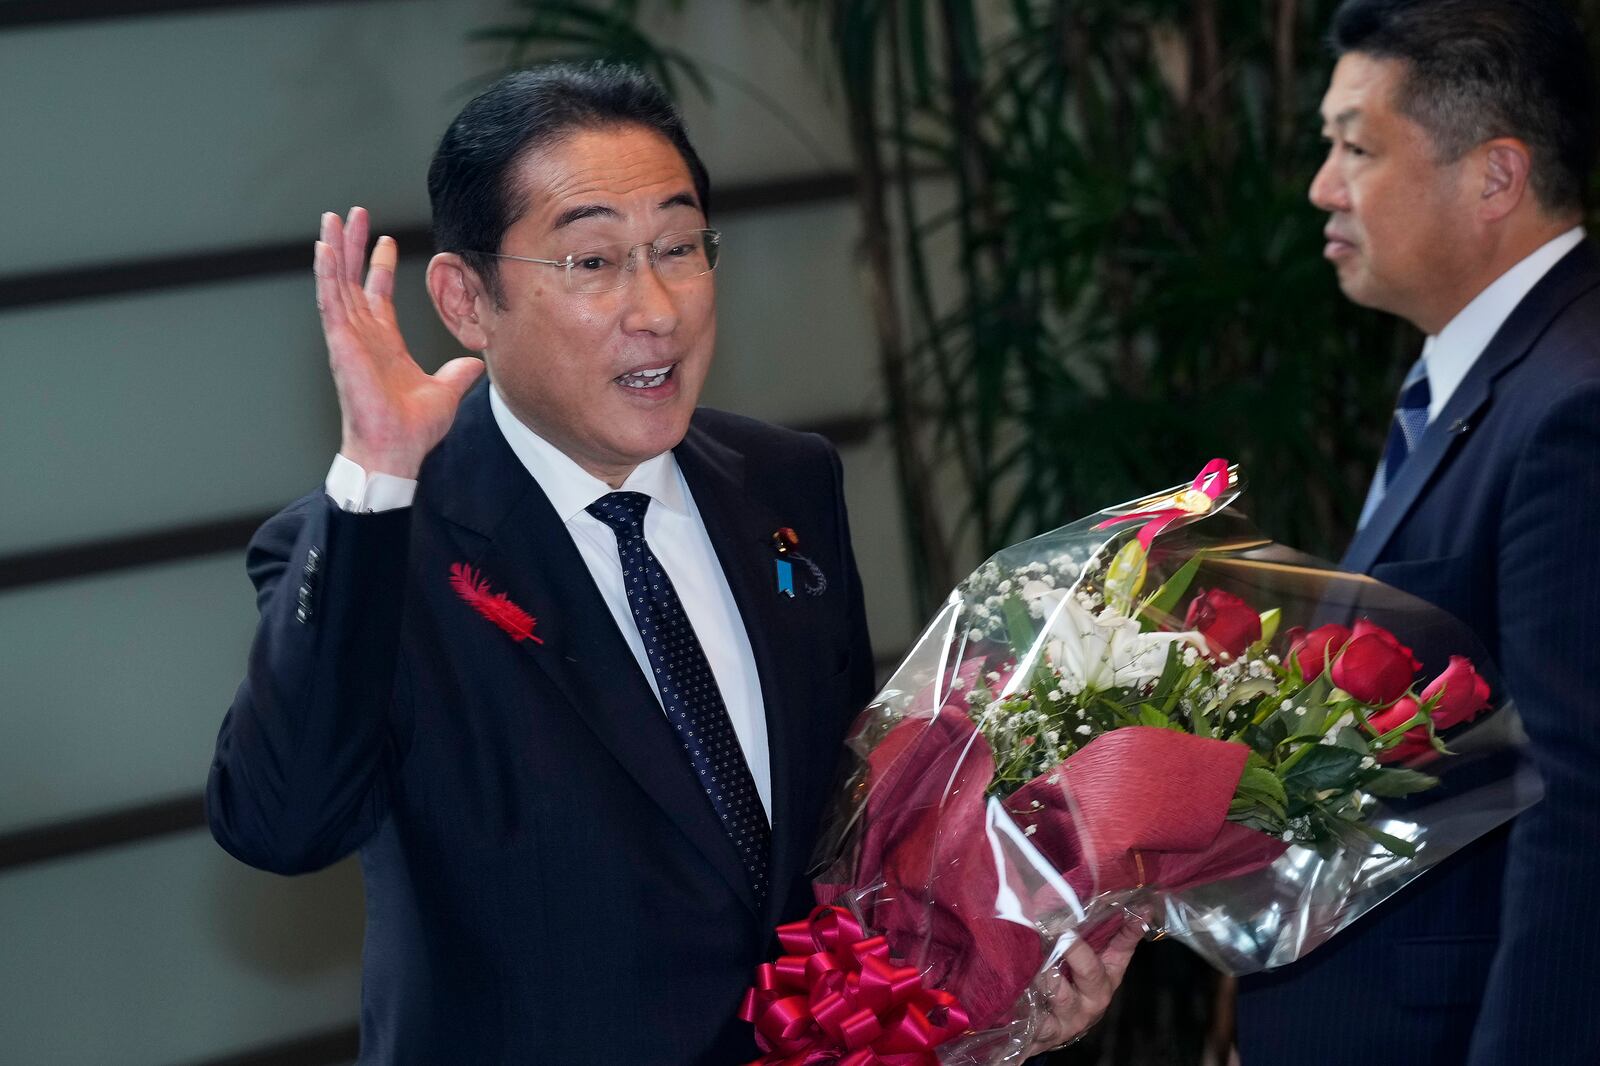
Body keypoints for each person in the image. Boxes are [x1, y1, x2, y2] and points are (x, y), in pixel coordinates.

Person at [206, 63, 1137, 1064]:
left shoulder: (787, 485)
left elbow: (840, 850)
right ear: (467, 302)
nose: (655, 307)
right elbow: (279, 824)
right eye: (592, 262)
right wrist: (376, 477)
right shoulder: (380, 543)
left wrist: (997, 984)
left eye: (679, 248)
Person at [1236, 2, 1600, 1063]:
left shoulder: (1571, 406)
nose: (1322, 186)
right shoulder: (1483, 375)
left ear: (1495, 176)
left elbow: (1577, 800)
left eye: (1355, 146)